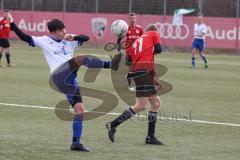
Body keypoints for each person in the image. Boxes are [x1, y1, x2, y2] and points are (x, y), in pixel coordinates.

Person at [7, 14, 121, 152]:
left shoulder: (69, 38)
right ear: (53, 32)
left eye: (64, 29)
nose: (64, 32)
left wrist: (75, 37)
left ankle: (76, 143)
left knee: (80, 111)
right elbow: (24, 37)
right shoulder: (44, 40)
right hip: (58, 76)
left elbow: (86, 38)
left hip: (69, 79)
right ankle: (110, 65)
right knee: (80, 58)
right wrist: (12, 24)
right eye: (60, 30)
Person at [106, 24, 164, 145]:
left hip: (142, 72)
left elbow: (129, 61)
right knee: (141, 105)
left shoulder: (137, 41)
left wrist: (152, 77)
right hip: (144, 72)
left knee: (155, 102)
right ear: (155, 30)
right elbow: (159, 49)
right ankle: (113, 124)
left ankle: (150, 137)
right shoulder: (154, 33)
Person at [117, 13, 143, 90]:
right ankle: (130, 85)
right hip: (129, 52)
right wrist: (119, 49)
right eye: (131, 18)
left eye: (134, 18)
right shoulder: (126, 29)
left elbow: (143, 39)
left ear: (136, 19)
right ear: (129, 19)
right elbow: (119, 39)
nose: (132, 20)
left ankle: (135, 82)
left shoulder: (140, 29)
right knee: (131, 69)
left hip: (138, 52)